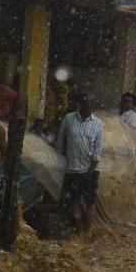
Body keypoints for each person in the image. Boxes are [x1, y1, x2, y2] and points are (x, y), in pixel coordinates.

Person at [55, 92, 104, 232]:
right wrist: (60, 162)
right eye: (85, 101)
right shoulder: (69, 119)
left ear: (94, 105)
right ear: (80, 103)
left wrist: (90, 171)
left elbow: (97, 151)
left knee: (90, 202)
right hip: (72, 169)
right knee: (74, 200)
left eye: (91, 102)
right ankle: (79, 229)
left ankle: (87, 232)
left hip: (90, 170)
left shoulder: (98, 124)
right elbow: (60, 141)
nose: (88, 104)